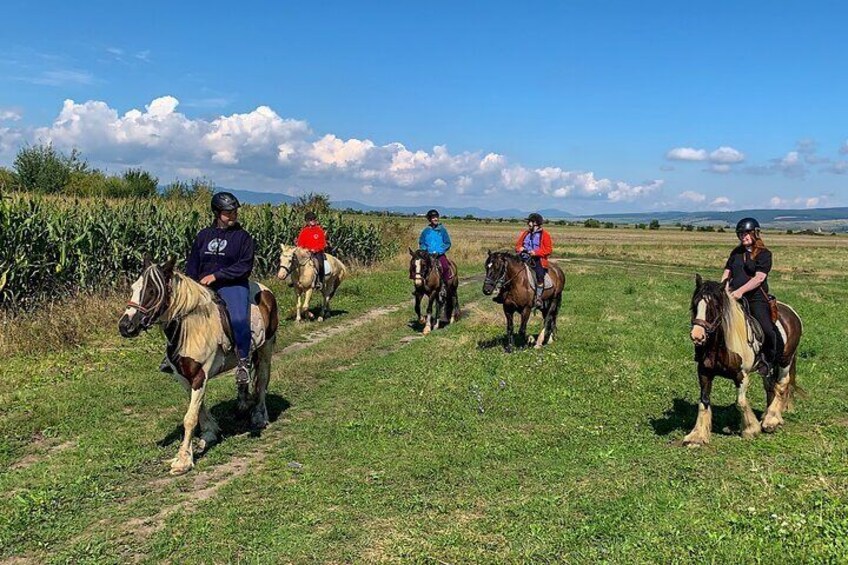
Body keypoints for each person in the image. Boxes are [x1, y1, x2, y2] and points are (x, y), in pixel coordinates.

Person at [183, 191, 256, 385]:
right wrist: (191, 285)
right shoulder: (203, 236)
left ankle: (243, 362)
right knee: (179, 316)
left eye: (234, 211)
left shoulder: (243, 238)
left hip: (232, 285)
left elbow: (244, 266)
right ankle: (175, 356)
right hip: (202, 286)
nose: (233, 215)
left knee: (239, 319)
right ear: (217, 213)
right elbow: (193, 263)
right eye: (228, 212)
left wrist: (217, 275)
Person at [721, 217, 779, 376]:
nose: (743, 237)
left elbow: (759, 278)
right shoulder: (736, 252)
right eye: (741, 234)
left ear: (755, 234)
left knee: (767, 330)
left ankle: (768, 360)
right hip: (732, 296)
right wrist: (723, 288)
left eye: (747, 233)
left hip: (755, 298)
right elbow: (727, 272)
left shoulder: (764, 254)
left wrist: (741, 291)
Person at [515, 212, 553, 309]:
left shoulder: (545, 235)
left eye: (530, 222)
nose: (528, 224)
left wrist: (536, 253)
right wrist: (519, 248)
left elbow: (548, 250)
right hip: (523, 256)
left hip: (537, 259)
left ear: (535, 223)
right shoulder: (525, 233)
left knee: (540, 275)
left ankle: (538, 297)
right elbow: (518, 245)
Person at [417, 209, 453, 300]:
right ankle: (419, 288)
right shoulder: (426, 231)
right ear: (430, 219)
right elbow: (421, 242)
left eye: (436, 217)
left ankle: (444, 286)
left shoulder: (442, 230)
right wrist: (424, 250)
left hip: (439, 255)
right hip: (427, 255)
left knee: (445, 267)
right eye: (433, 218)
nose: (435, 219)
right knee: (419, 267)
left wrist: (440, 251)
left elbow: (447, 243)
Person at [296, 211, 328, 289]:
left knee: (319, 264)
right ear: (307, 221)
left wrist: (315, 249)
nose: (313, 221)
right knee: (293, 261)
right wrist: (303, 250)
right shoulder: (304, 231)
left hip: (317, 252)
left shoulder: (319, 230)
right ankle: (293, 280)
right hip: (306, 252)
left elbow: (322, 244)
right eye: (310, 219)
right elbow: (300, 243)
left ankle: (320, 281)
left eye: (314, 219)